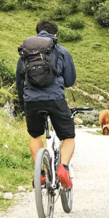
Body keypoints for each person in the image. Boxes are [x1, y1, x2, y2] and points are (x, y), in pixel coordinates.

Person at [16, 20, 77, 188]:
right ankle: (63, 168)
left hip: (31, 102)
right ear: (55, 35)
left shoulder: (26, 54)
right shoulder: (61, 51)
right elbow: (70, 80)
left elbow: (19, 82)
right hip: (55, 100)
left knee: (35, 135)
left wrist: (24, 105)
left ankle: (40, 173)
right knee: (69, 136)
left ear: (37, 33)